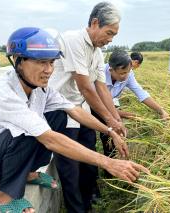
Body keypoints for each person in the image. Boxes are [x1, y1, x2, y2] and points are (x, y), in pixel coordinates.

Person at [0, 27, 148, 213]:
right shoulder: (4, 93)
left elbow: (75, 110)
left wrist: (109, 131)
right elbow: (50, 139)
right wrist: (108, 162)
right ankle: (2, 196)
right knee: (32, 129)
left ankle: (29, 173)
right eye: (41, 62)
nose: (49, 70)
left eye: (52, 62)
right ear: (18, 61)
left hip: (2, 156)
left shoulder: (40, 89)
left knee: (59, 115)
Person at [48, 2, 128, 213]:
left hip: (81, 111)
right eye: (109, 32)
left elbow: (102, 88)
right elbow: (85, 87)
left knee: (89, 164)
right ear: (95, 23)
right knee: (70, 168)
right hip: (62, 111)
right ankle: (77, 210)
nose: (110, 39)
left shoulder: (97, 51)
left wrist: (116, 121)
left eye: (114, 35)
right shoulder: (74, 40)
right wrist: (109, 122)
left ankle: (87, 206)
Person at [92, 50, 170, 179]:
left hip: (109, 107)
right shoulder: (98, 75)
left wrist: (161, 110)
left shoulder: (127, 74)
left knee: (110, 139)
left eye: (128, 72)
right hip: (90, 108)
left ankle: (110, 173)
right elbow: (99, 106)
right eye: (123, 73)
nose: (127, 76)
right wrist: (128, 115)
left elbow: (140, 92)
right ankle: (92, 178)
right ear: (111, 71)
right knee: (89, 141)